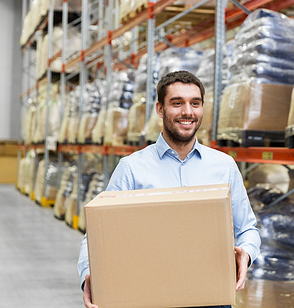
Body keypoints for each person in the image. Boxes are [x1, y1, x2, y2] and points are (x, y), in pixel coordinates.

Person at [77, 70, 261, 308]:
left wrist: (246, 253)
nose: (188, 112)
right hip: (148, 296)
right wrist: (89, 275)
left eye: (195, 103)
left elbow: (248, 228)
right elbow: (96, 234)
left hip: (210, 297)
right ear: (160, 109)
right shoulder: (132, 169)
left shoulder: (224, 166)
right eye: (177, 103)